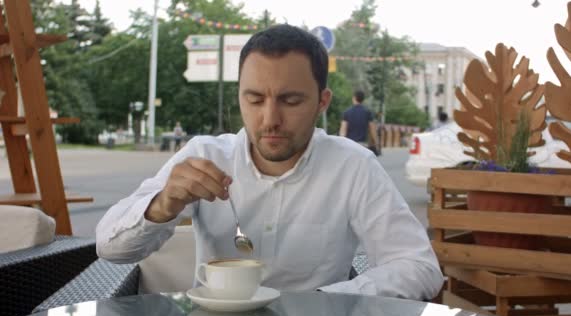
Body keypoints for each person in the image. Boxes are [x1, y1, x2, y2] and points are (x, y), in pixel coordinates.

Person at [96, 24, 443, 300]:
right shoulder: (206, 155)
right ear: (240, 96)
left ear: (322, 102)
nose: (270, 119)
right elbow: (109, 250)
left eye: (291, 101)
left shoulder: (352, 167)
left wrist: (323, 300)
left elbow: (419, 266)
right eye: (255, 99)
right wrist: (162, 205)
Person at [339, 90, 379, 155]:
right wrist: (377, 143)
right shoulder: (367, 112)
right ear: (363, 99)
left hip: (350, 145)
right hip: (363, 145)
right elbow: (373, 130)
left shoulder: (347, 112)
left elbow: (343, 130)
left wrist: (342, 144)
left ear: (354, 98)